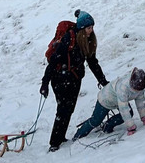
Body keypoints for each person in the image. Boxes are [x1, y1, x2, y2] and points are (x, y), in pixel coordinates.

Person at [39, 9, 109, 153]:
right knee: (63, 109)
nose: (91, 30)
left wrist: (103, 81)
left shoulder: (88, 41)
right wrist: (45, 83)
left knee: (69, 108)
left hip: (75, 78)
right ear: (82, 28)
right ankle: (54, 143)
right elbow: (53, 61)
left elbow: (92, 62)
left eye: (92, 27)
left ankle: (60, 137)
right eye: (89, 28)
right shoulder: (68, 40)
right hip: (60, 78)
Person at [73, 67, 145, 140]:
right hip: (105, 99)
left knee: (129, 113)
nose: (137, 91)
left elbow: (140, 102)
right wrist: (131, 127)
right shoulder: (123, 88)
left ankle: (107, 126)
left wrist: (144, 117)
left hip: (117, 100)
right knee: (96, 121)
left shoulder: (140, 87)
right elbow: (124, 109)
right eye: (135, 89)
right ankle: (79, 135)